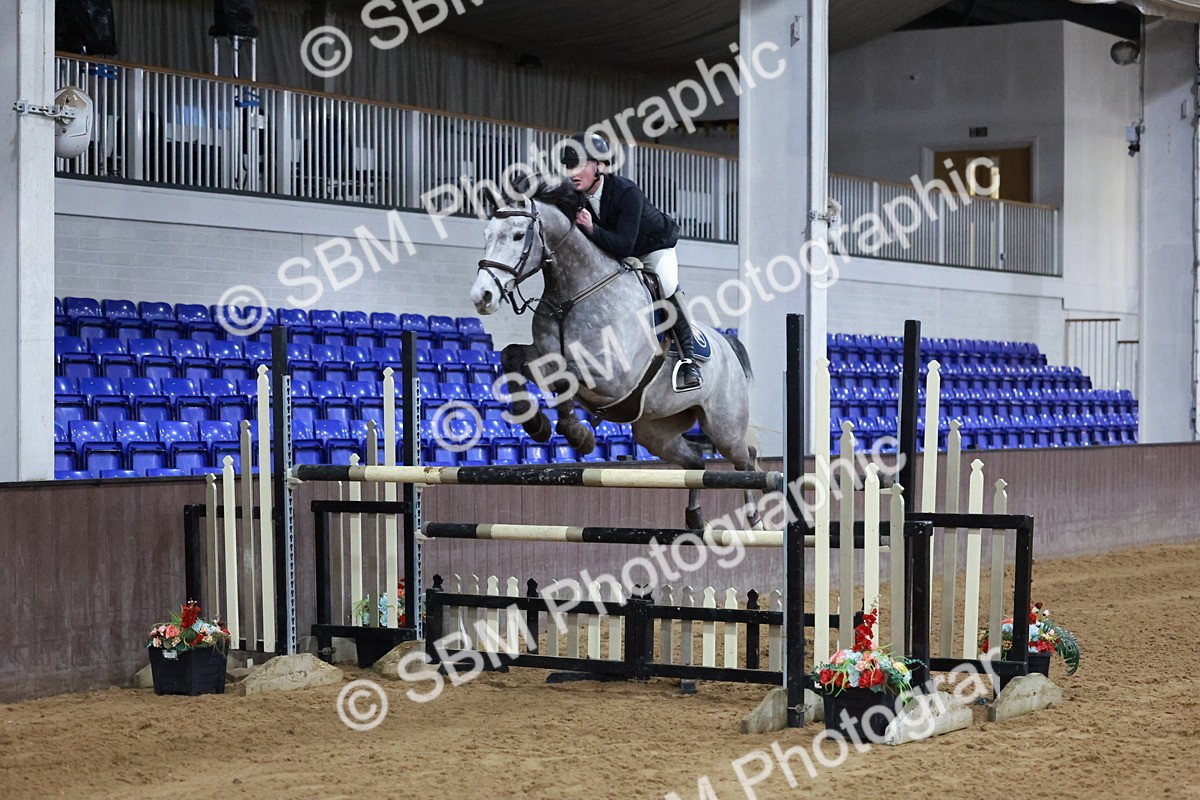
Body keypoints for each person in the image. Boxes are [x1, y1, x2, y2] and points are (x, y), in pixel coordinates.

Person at [560, 132, 702, 392]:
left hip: (653, 247)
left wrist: (591, 229)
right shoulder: (573, 195)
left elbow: (625, 245)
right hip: (614, 249)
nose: (573, 173)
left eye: (579, 165)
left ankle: (688, 360)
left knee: (666, 285)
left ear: (600, 166)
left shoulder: (627, 192)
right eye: (569, 166)